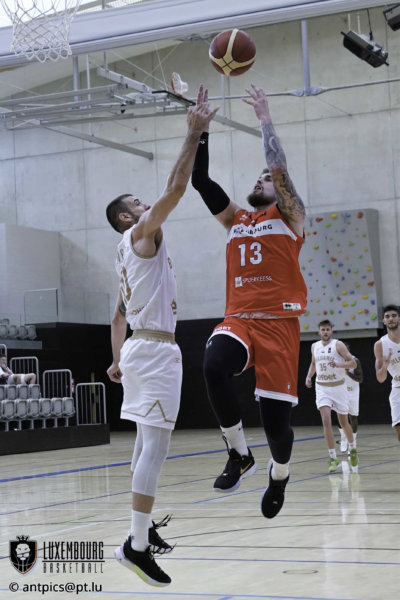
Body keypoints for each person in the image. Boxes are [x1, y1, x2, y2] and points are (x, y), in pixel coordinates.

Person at [106, 91, 218, 588]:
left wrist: (117, 360)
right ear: (126, 218)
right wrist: (192, 132)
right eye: (136, 203)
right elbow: (176, 188)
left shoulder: (124, 252)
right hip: (152, 349)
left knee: (145, 444)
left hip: (138, 347)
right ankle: (135, 545)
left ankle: (141, 529)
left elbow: (116, 316)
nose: (145, 203)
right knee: (155, 447)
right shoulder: (139, 236)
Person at [191, 84, 307, 520]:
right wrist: (202, 131)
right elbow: (200, 181)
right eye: (257, 178)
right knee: (212, 364)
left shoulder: (291, 216)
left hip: (279, 325)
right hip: (239, 319)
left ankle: (280, 474)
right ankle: (239, 454)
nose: (260, 180)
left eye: (266, 179)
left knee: (278, 428)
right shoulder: (236, 219)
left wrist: (264, 119)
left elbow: (278, 167)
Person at [305, 320, 359, 473]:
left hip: (339, 387)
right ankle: (333, 457)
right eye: (323, 329)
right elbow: (313, 363)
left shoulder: (338, 345)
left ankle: (352, 448)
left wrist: (339, 365)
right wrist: (308, 376)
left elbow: (353, 364)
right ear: (319, 332)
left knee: (344, 422)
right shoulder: (314, 346)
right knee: (326, 421)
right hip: (322, 387)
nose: (325, 332)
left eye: (328, 329)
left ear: (331, 331)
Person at [374, 304, 400, 442]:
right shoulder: (380, 345)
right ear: (384, 321)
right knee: (398, 427)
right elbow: (380, 378)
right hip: (397, 387)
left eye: (394, 316)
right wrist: (384, 366)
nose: (391, 319)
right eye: (387, 316)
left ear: (399, 318)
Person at [337, 344, 363, 453]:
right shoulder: (336, 362)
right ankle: (343, 438)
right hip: (341, 390)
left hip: (353, 391)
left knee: (353, 417)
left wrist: (348, 373)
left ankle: (353, 442)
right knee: (341, 415)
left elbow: (360, 379)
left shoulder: (355, 361)